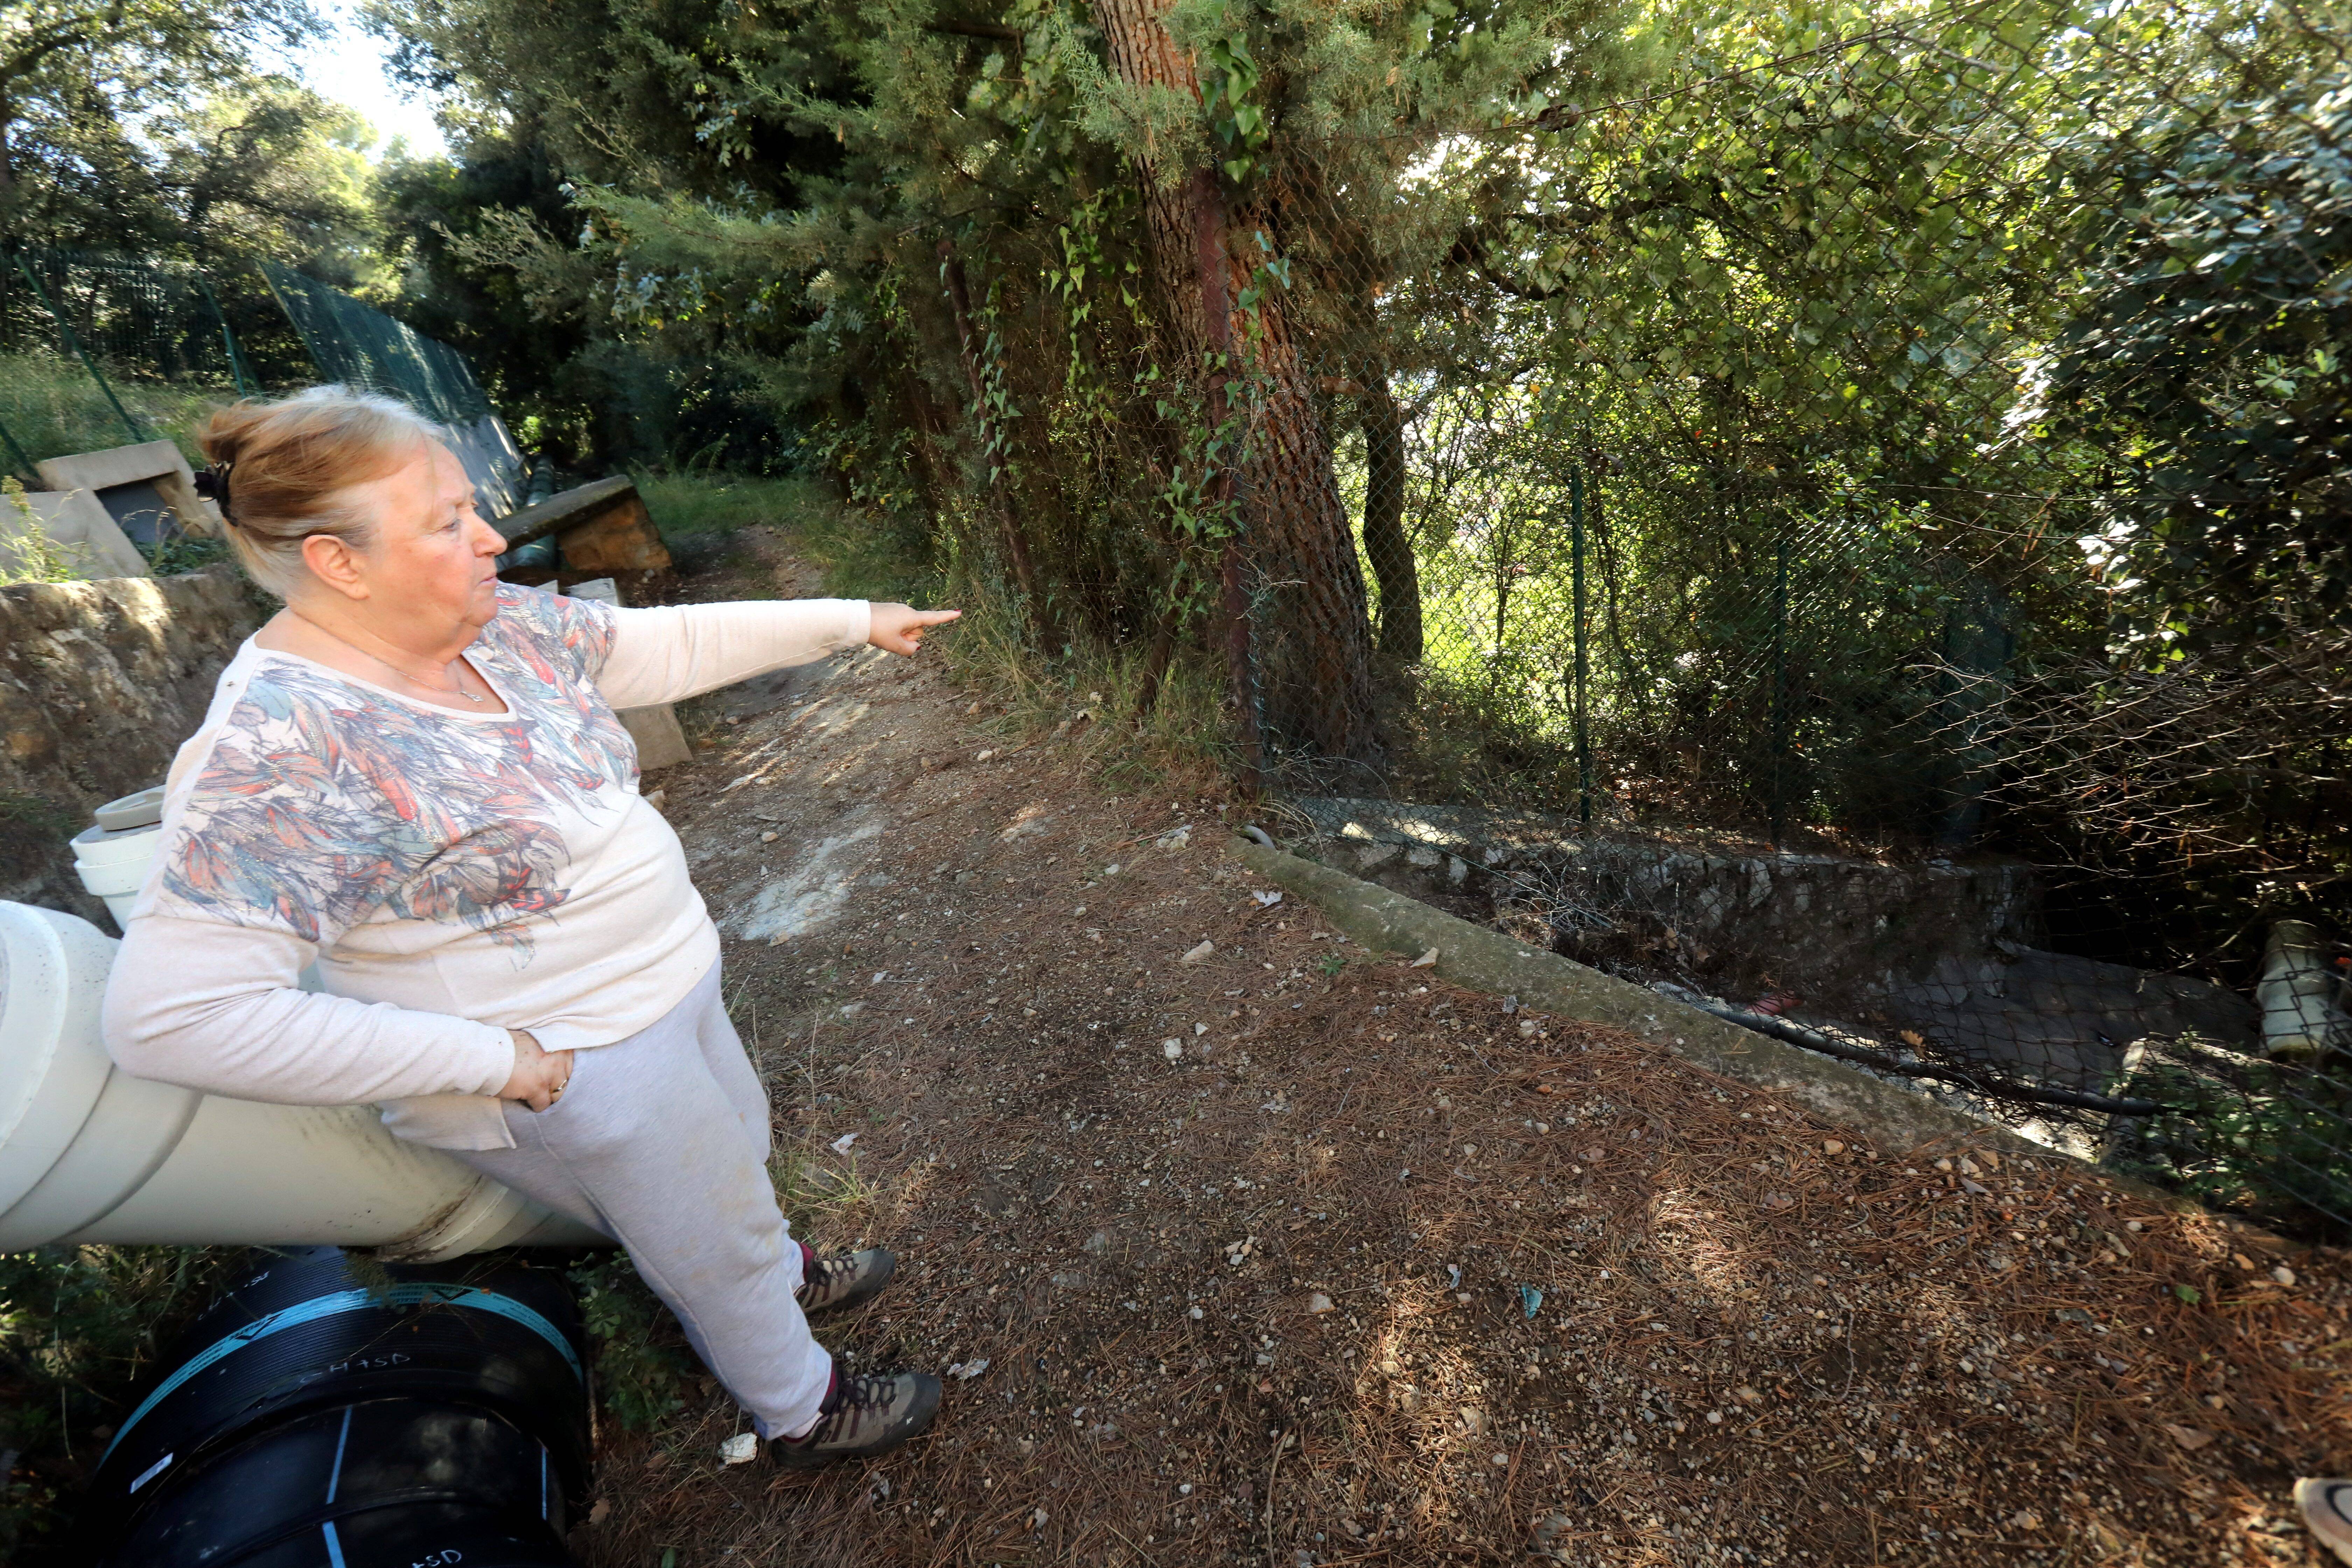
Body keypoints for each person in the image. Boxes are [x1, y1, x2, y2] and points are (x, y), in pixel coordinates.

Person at [101, 385, 957, 1466]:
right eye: (447, 522)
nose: (490, 536)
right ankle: (802, 1407)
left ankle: (780, 1271)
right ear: (339, 563)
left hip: (661, 997)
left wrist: (850, 623)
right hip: (572, 1065)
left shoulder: (492, 623)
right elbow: (172, 1020)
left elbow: (659, 649)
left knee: (738, 1156)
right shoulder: (284, 750)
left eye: (472, 507)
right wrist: (501, 1061)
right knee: (705, 1248)